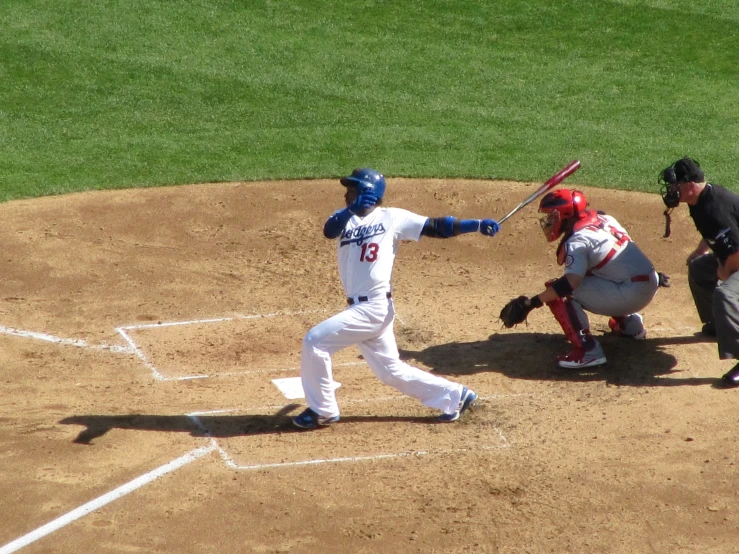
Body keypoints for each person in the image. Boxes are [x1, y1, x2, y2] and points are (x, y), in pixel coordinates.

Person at [292, 167, 501, 429]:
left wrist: (477, 225)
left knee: (315, 341)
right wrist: (350, 210)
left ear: (368, 193)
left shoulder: (392, 218)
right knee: (391, 371)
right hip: (364, 308)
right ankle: (454, 396)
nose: (347, 194)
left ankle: (322, 410)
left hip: (374, 307)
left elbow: (436, 226)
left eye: (353, 189)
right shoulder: (345, 219)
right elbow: (329, 230)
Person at [501, 188, 660, 369]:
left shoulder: (578, 241)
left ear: (565, 216)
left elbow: (570, 284)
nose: (549, 222)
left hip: (630, 293)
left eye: (553, 217)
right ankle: (630, 325)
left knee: (562, 292)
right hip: (649, 280)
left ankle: (588, 351)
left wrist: (532, 302)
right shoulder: (605, 220)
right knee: (594, 271)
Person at [659, 156, 739, 387]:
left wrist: (725, 271)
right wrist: (699, 251)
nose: (672, 189)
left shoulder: (716, 208)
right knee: (699, 269)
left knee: (725, 294)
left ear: (690, 186)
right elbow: (713, 233)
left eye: (676, 185)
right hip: (732, 253)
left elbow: (735, 253)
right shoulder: (698, 201)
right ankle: (715, 324)